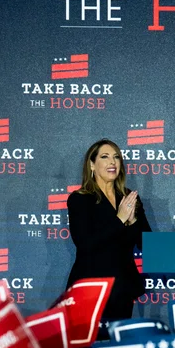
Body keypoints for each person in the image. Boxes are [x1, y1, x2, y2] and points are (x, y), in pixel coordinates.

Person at [66, 138, 152, 322]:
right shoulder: (80, 199)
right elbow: (85, 244)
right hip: (90, 287)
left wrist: (133, 220)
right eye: (105, 157)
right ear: (92, 165)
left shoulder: (130, 198)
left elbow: (147, 244)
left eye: (116, 157)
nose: (112, 162)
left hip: (122, 288)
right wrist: (119, 219)